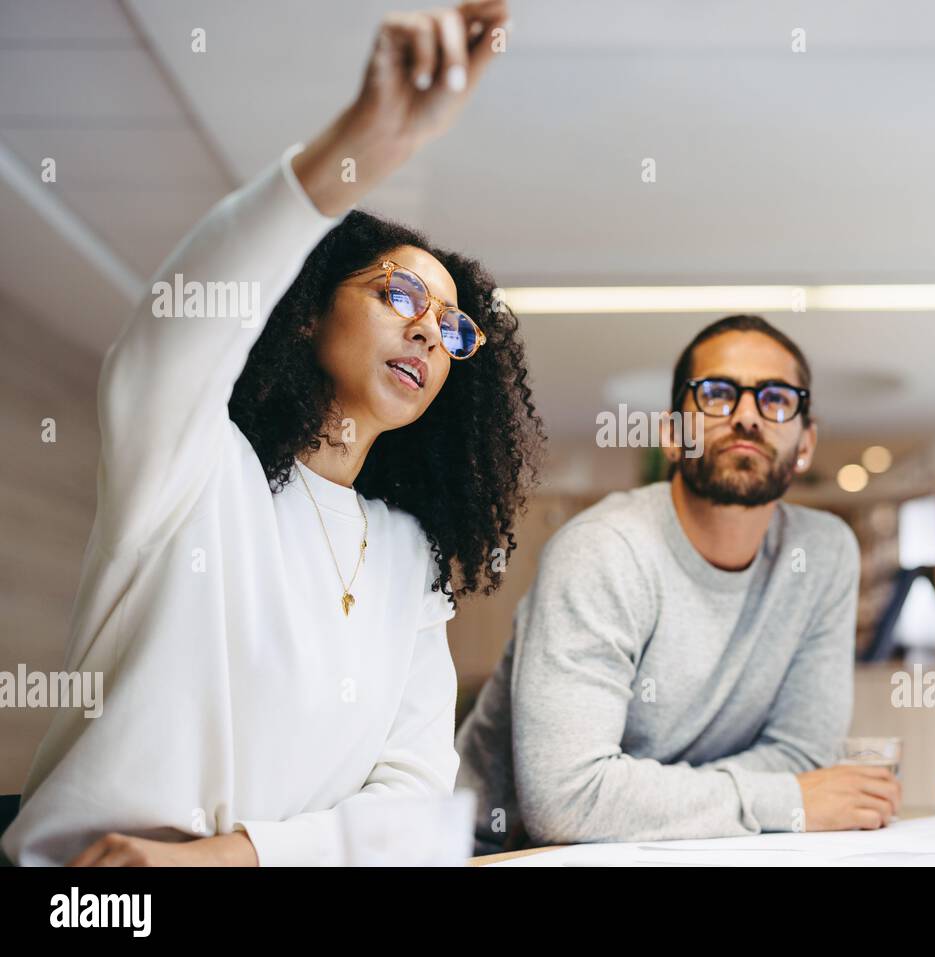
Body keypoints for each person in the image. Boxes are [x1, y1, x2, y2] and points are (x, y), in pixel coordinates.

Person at [3, 2, 544, 866]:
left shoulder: (410, 557)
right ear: (304, 313)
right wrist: (368, 141)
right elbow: (185, 314)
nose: (427, 335)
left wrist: (229, 858)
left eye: (451, 329)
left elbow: (416, 809)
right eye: (399, 297)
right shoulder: (193, 464)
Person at [455, 314, 900, 854]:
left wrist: (647, 796)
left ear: (805, 444)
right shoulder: (603, 550)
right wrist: (786, 799)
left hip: (693, 847)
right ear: (671, 435)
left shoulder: (824, 554)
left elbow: (803, 757)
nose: (746, 417)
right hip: (505, 852)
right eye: (716, 394)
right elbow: (567, 799)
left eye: (776, 399)